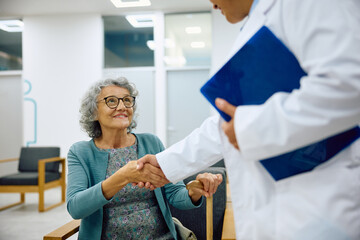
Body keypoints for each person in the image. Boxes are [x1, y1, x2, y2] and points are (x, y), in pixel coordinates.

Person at [137, 0, 360, 239]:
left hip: (316, 203)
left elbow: (348, 84)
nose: (212, 4)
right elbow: (225, 124)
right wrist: (166, 163)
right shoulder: (255, 25)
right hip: (278, 207)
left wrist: (248, 126)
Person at [66, 77, 223, 240]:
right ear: (93, 112)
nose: (122, 107)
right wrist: (122, 176)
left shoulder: (151, 142)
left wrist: (193, 191)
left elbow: (175, 194)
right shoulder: (80, 152)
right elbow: (76, 208)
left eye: (127, 100)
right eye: (111, 101)